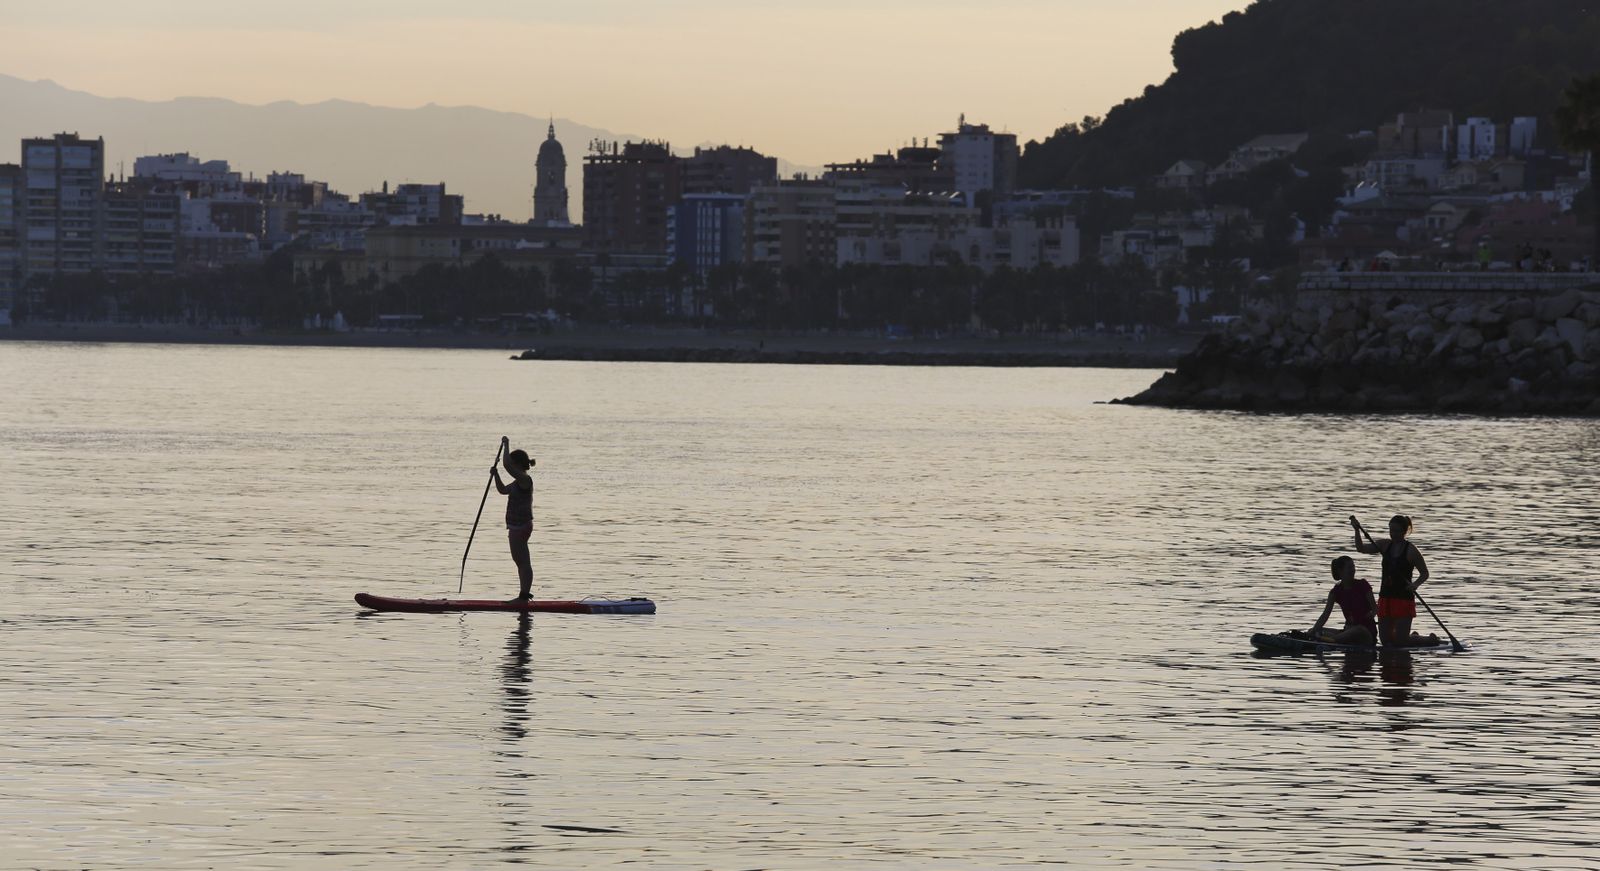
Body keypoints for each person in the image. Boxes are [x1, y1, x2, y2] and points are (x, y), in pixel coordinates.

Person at [1354, 514, 1434, 647]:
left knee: (1400, 642)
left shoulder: (1411, 551)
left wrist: (1415, 585)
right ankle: (1412, 637)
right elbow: (1361, 548)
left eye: (1396, 531)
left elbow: (1424, 573)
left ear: (1404, 531)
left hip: (1403, 599)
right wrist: (1356, 530)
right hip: (1386, 598)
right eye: (1391, 530)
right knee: (1386, 641)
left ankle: (1429, 640)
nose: (1393, 534)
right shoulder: (1384, 545)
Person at [490, 437, 536, 601]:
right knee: (521, 562)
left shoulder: (525, 480)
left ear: (517, 464)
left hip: (520, 527)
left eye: (512, 464)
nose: (511, 467)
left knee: (522, 562)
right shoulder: (518, 482)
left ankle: (523, 597)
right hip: (518, 526)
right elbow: (502, 490)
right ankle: (524, 595)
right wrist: (496, 476)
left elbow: (506, 465)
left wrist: (506, 444)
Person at [1308, 556, 1377, 646]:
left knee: (1358, 629)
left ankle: (1329, 640)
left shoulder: (1363, 585)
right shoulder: (1335, 592)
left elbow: (1375, 608)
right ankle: (1318, 637)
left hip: (1366, 633)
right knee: (1315, 630)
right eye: (1349, 568)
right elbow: (1325, 615)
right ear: (1340, 571)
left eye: (1353, 567)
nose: (1353, 570)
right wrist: (1313, 630)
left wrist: (1372, 613)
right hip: (1347, 631)